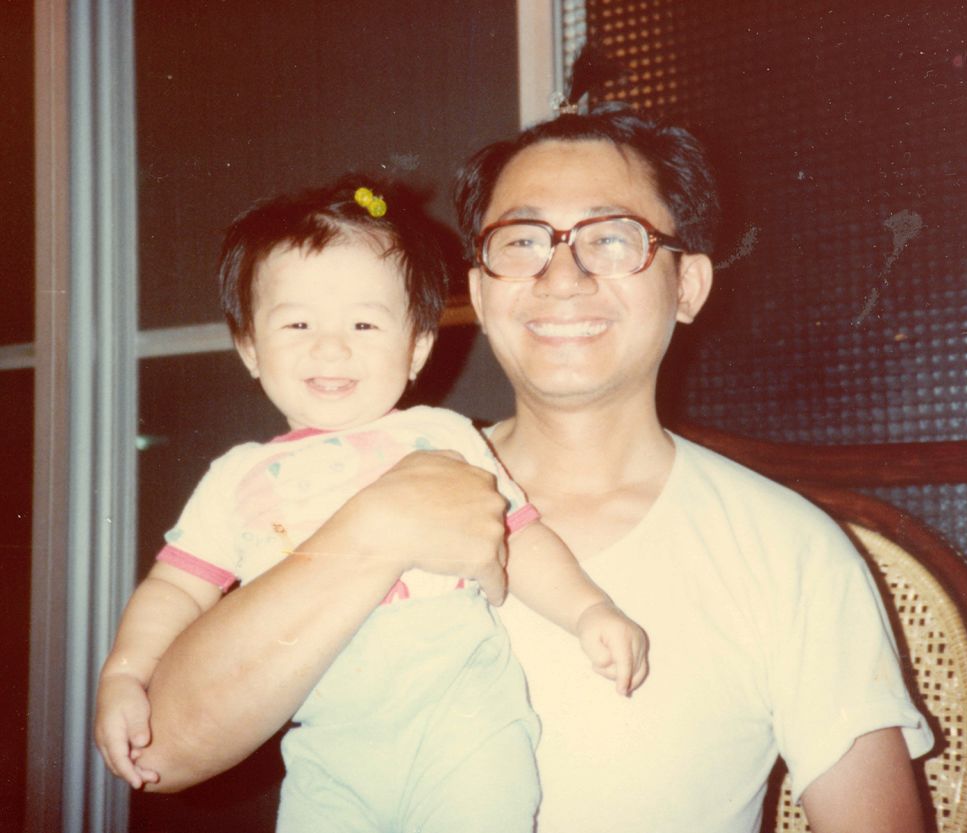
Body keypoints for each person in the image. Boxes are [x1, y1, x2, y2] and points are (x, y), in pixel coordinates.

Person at [136, 105, 934, 833]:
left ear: (687, 284)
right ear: (479, 293)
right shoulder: (360, 480)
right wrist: (372, 530)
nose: (562, 275)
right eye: (521, 242)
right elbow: (158, 751)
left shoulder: (785, 548)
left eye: (611, 238)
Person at [94, 175, 647, 832]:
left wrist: (589, 609)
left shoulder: (441, 435)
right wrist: (125, 673)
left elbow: (518, 537)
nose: (331, 346)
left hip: (461, 719)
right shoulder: (238, 475)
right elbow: (176, 588)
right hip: (330, 746)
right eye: (297, 322)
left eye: (363, 321)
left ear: (416, 345)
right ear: (249, 347)